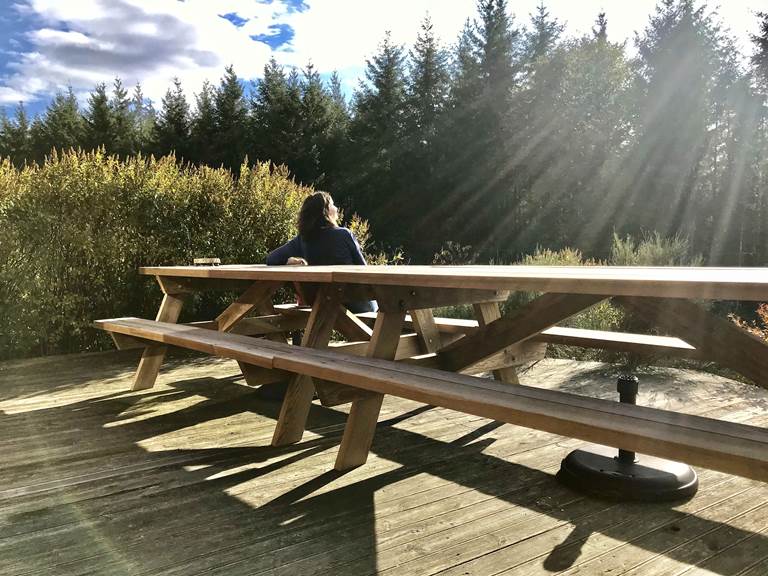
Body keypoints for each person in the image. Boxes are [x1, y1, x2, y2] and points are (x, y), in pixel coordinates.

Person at [266, 191, 377, 314]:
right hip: (358, 305)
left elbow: (271, 259)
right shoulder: (344, 234)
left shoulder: (303, 240)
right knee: (390, 306)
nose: (336, 208)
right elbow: (365, 270)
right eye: (333, 205)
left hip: (323, 304)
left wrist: (290, 262)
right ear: (326, 211)